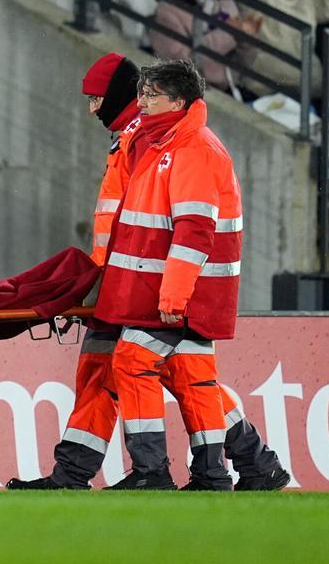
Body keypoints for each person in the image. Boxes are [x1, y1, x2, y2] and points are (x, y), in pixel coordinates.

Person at [5, 54, 288, 491]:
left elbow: (182, 229)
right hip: (127, 283)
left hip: (154, 287)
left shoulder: (163, 144)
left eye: (98, 98)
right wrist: (102, 283)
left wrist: (158, 291)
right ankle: (78, 474)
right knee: (140, 373)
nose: (92, 109)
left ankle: (178, 471)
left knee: (155, 372)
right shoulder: (141, 140)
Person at [93, 59, 249, 489]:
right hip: (170, 288)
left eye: (151, 95)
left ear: (179, 102)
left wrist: (173, 298)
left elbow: (195, 232)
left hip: (183, 293)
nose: (141, 102)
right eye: (142, 93)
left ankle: (152, 472)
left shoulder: (192, 149)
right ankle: (217, 473)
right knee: (195, 377)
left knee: (131, 360)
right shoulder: (162, 143)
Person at [151, 0, 262, 95]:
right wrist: (229, 32)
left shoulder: (226, 3)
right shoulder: (168, 12)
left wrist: (247, 37)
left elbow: (242, 64)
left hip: (226, 89)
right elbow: (181, 65)